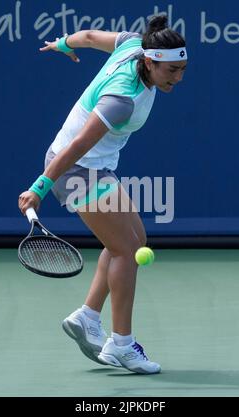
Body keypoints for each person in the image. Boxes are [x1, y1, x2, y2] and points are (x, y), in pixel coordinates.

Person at [18, 15, 187, 374]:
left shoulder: (131, 43)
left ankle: (87, 317)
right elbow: (79, 144)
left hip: (96, 166)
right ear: (150, 61)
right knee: (126, 250)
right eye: (171, 70)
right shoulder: (122, 99)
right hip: (76, 168)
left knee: (134, 239)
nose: (178, 78)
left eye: (182, 69)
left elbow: (91, 36)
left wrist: (64, 44)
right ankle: (122, 344)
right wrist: (40, 187)